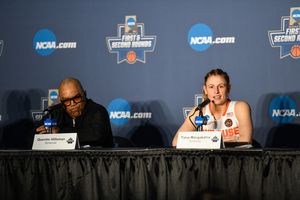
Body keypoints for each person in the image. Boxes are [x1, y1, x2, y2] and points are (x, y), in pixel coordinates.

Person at [172, 69, 253, 146]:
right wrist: (217, 140)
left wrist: (206, 142)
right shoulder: (199, 110)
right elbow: (176, 141)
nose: (216, 91)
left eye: (221, 86)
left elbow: (246, 140)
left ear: (228, 88)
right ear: (205, 89)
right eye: (211, 87)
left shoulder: (240, 107)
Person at [27, 78, 114, 148]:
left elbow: (96, 136)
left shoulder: (97, 111)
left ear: (85, 94)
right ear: (61, 101)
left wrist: (59, 132)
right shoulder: (54, 113)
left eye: (76, 98)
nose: (72, 104)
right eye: (66, 101)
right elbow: (31, 139)